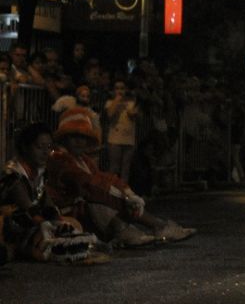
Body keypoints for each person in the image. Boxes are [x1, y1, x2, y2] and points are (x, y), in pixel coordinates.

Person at [46, 106, 195, 247]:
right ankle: (142, 228)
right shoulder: (60, 159)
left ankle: (150, 227)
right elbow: (90, 185)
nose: (79, 141)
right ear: (64, 137)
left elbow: (103, 178)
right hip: (70, 216)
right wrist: (124, 197)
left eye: (83, 137)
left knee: (111, 198)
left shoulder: (83, 159)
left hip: (84, 211)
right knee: (99, 202)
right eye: (74, 136)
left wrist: (127, 192)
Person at [1, 122, 102, 264]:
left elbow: (47, 203)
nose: (45, 152)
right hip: (12, 225)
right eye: (39, 147)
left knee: (71, 224)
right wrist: (49, 225)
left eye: (48, 147)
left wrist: (59, 221)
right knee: (46, 240)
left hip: (32, 223)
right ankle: (14, 250)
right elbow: (29, 209)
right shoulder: (14, 173)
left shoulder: (40, 171)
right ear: (25, 147)